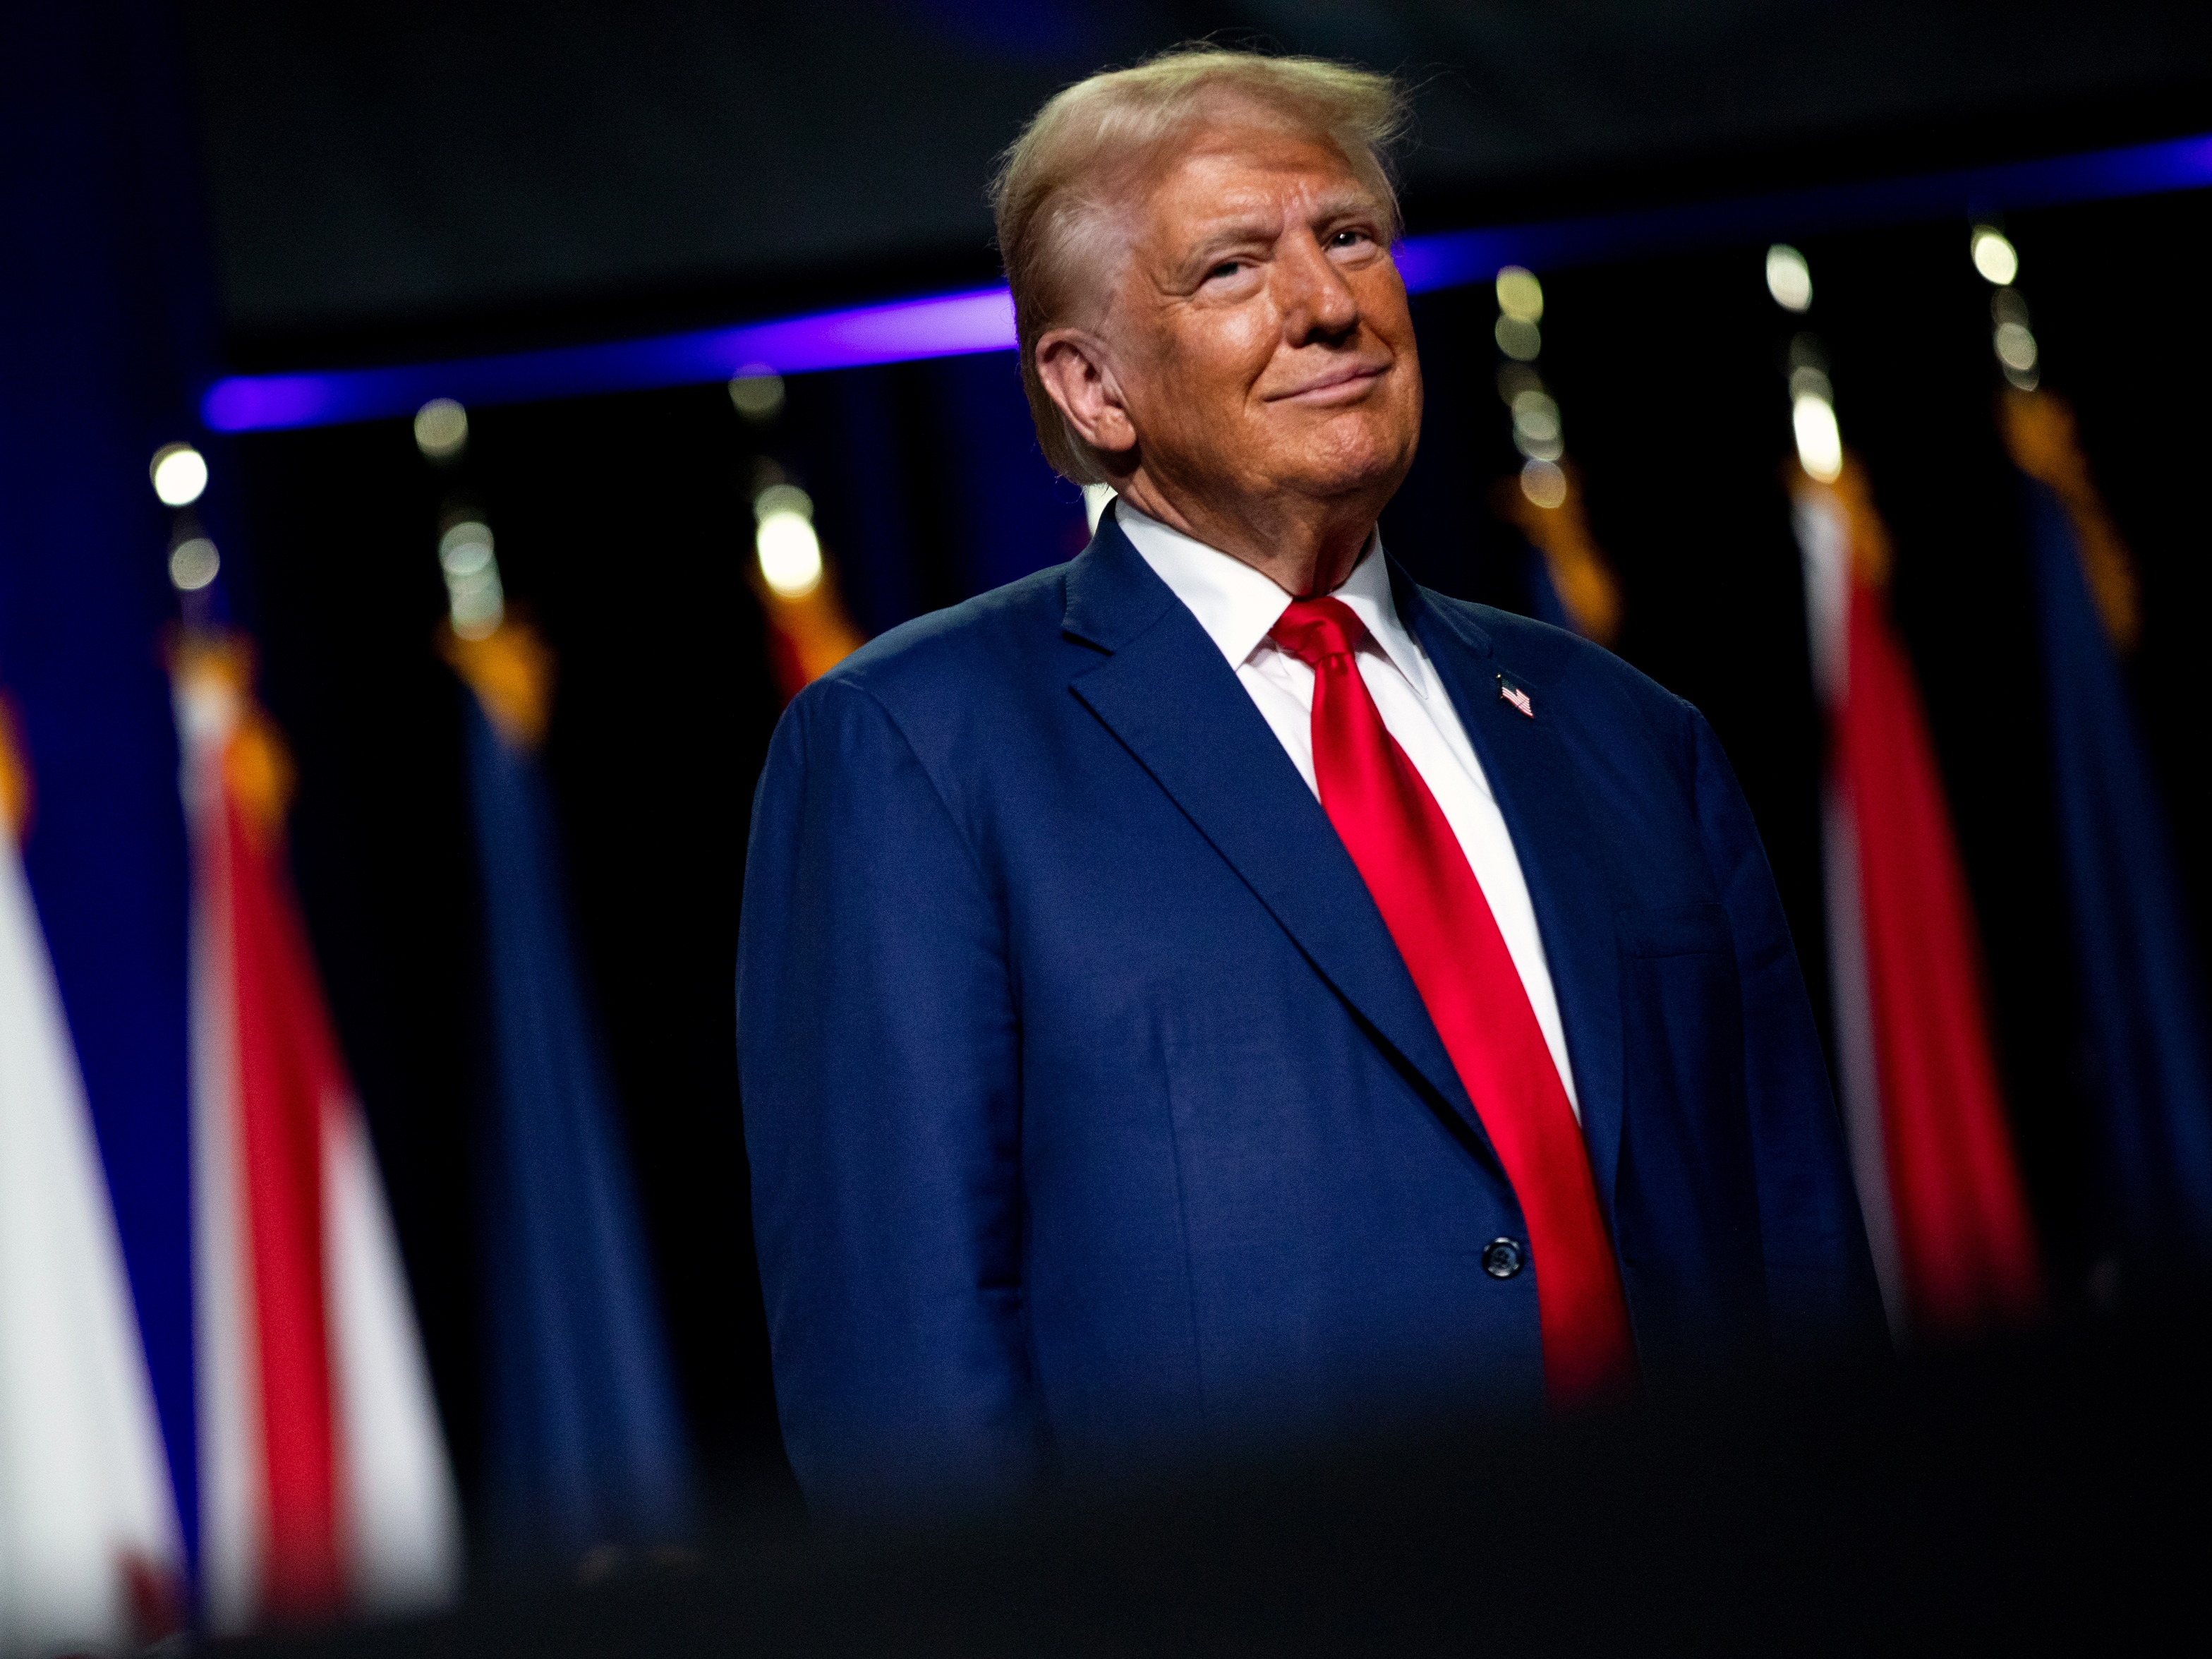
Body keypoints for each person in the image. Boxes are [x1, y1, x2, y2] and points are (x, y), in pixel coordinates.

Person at [737, 46, 1882, 1516]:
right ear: (1092, 388)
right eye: (1229, 268)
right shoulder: (914, 752)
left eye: (1346, 236)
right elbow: (901, 1378)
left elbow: (1791, 1247)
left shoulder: (1625, 732)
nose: (1328, 304)